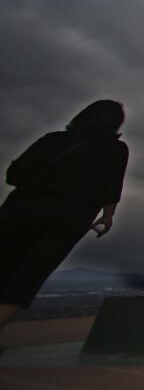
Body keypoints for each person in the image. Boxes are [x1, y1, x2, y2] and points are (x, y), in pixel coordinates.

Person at [0, 100, 130, 333]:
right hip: (69, 218)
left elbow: (14, 175)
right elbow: (112, 187)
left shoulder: (52, 140)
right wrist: (108, 216)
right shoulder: (116, 150)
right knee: (28, 277)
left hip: (20, 209)